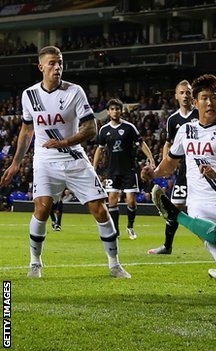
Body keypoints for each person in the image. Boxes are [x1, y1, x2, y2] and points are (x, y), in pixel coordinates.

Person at [0, 46, 130, 279]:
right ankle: (35, 264)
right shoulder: (29, 95)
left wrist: (65, 142)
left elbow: (91, 128)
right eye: (52, 63)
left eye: (60, 62)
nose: (57, 67)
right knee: (41, 207)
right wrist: (16, 162)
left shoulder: (74, 91)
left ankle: (115, 264)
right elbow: (27, 130)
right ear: (41, 67)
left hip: (73, 157)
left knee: (100, 209)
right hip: (45, 160)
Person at [141, 74, 216, 291]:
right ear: (195, 102)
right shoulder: (186, 130)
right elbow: (171, 162)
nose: (209, 102)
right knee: (212, 244)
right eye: (204, 98)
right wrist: (154, 173)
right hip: (198, 204)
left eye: (213, 97)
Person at [148, 80, 199, 254]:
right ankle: (167, 246)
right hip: (182, 170)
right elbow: (167, 144)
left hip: (201, 169)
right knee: (175, 208)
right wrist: (166, 165)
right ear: (176, 96)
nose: (185, 95)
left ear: (193, 95)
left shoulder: (200, 115)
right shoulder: (173, 120)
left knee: (201, 210)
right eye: (182, 92)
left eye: (188, 92)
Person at [93, 98, 155, 240]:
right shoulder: (104, 130)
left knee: (131, 201)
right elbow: (99, 149)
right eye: (112, 109)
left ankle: (130, 226)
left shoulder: (129, 127)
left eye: (117, 109)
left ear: (121, 111)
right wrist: (94, 167)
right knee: (112, 201)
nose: (115, 111)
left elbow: (142, 143)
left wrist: (151, 159)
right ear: (108, 112)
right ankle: (116, 231)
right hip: (112, 171)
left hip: (128, 170)